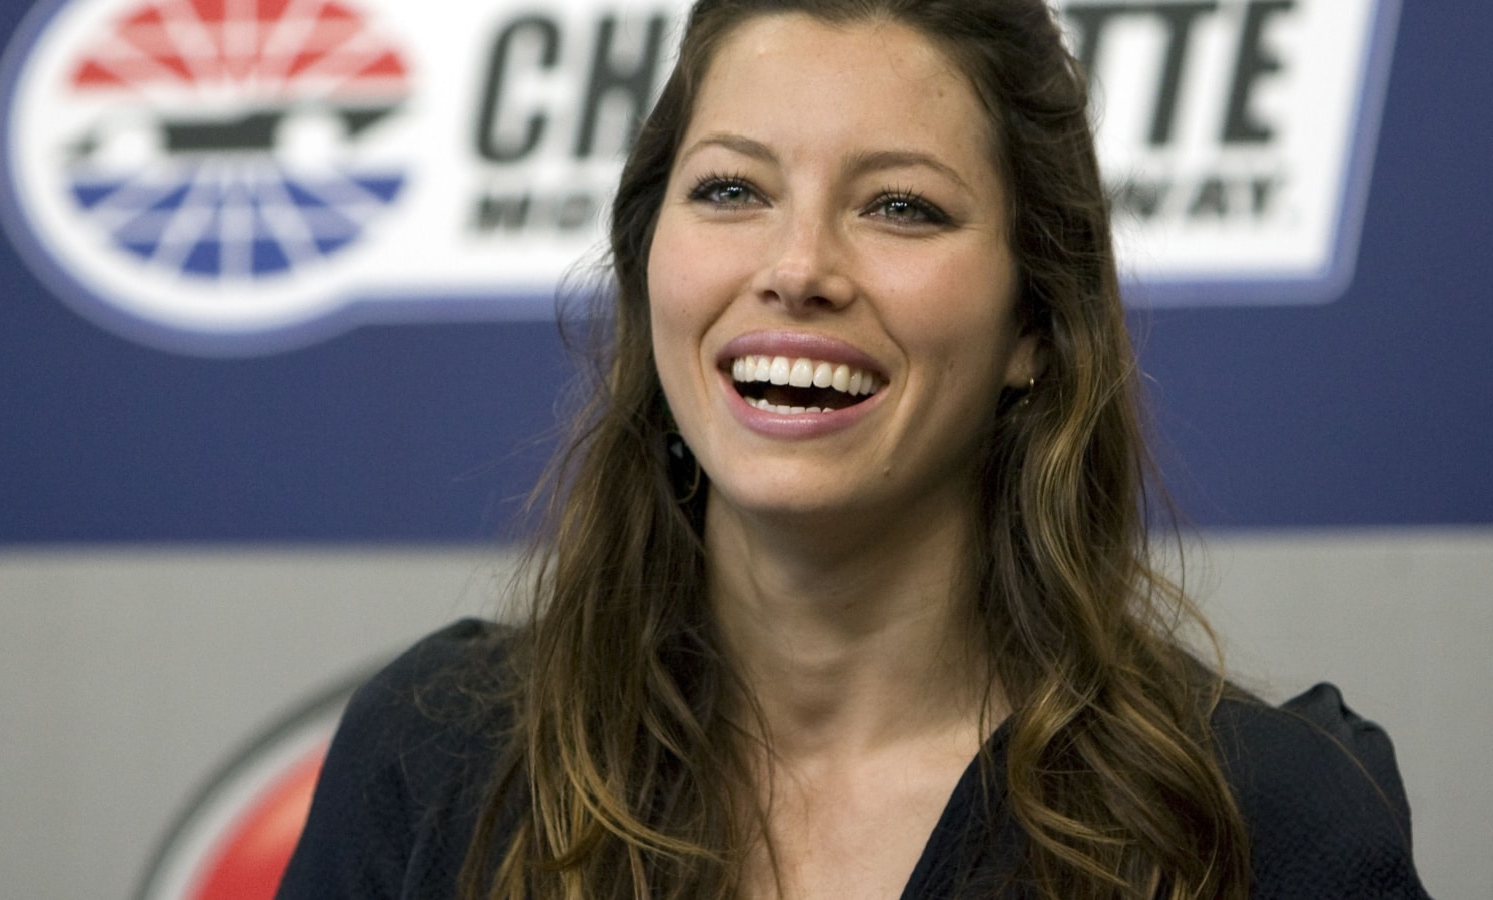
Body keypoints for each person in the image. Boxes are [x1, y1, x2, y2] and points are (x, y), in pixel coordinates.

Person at [278, 1, 1431, 897]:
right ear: (648, 267)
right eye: (730, 188)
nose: (798, 267)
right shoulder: (438, 763)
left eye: (899, 207)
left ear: (1034, 320)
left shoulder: (1259, 819)